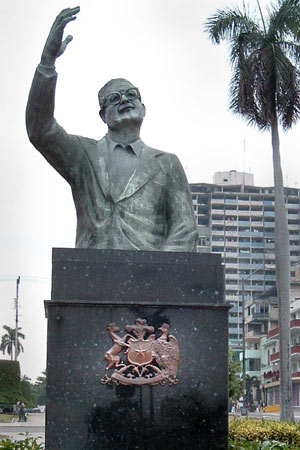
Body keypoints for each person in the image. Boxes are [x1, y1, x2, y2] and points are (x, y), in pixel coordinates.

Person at [26, 7, 198, 252]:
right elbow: (40, 130)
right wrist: (47, 63)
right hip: (91, 274)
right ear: (102, 115)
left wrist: (157, 274)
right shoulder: (83, 155)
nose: (125, 101)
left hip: (150, 280)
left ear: (143, 108)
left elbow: (184, 230)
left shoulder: (168, 163)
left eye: (131, 95)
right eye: (114, 98)